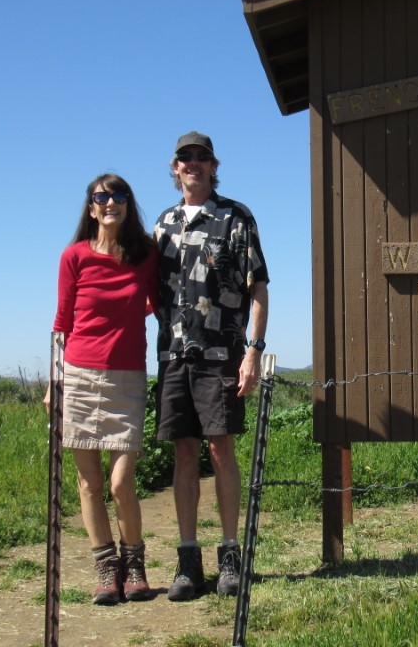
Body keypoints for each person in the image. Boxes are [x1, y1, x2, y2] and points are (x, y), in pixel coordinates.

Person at [154, 131, 269, 600]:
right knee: (184, 454)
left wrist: (255, 351)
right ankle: (187, 562)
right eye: (186, 160)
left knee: (221, 452)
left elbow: (258, 288)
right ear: (174, 168)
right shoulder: (162, 225)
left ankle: (229, 556)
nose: (193, 166)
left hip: (222, 355)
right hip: (173, 357)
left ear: (213, 166)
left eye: (202, 158)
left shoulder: (236, 218)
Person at [46, 173, 159, 605]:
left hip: (127, 377)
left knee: (120, 483)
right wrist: (54, 382)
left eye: (119, 196)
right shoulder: (73, 256)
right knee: (88, 483)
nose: (110, 202)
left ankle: (135, 565)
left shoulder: (146, 254)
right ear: (91, 207)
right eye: (101, 197)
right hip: (77, 375)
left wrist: (131, 316)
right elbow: (62, 320)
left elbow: (158, 303)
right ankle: (106, 569)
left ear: (128, 205)